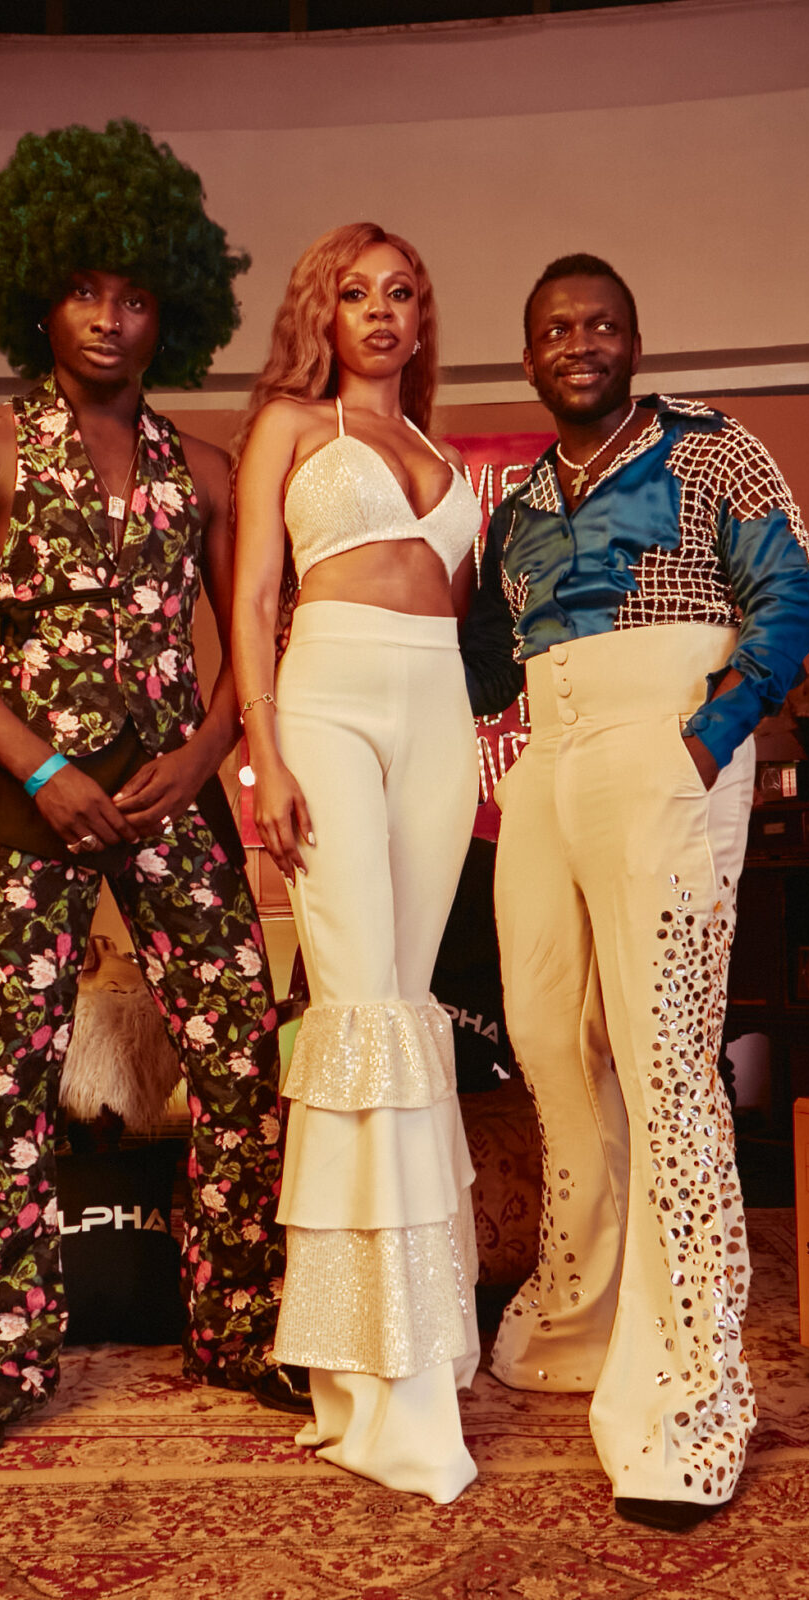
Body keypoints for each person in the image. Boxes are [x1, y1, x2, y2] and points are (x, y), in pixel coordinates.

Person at [0, 120, 305, 1480]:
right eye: (84, 289)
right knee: (6, 1080)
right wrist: (40, 766)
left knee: (243, 1058)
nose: (109, 317)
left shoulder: (211, 474)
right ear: (39, 297)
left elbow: (252, 641)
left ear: (169, 310)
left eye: (134, 295)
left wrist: (205, 755)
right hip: (30, 802)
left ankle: (237, 1329)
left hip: (171, 798)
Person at [481, 253, 809, 1529]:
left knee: (668, 1059)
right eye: (556, 328)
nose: (580, 343)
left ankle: (693, 1397)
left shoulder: (713, 448)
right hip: (546, 760)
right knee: (550, 1043)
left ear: (634, 340)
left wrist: (710, 736)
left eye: (602, 324)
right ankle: (579, 1321)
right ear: (529, 356)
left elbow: (791, 597)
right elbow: (478, 662)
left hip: (664, 742)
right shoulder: (516, 506)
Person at [228, 223, 507, 1503]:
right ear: (322, 315)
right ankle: (369, 1386)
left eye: (402, 293)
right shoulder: (291, 428)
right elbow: (252, 601)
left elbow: (472, 620)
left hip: (438, 715)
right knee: (357, 1015)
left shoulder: (446, 460)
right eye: (355, 294)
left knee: (408, 1006)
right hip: (325, 697)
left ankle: (418, 1348)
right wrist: (263, 752)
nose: (381, 312)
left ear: (421, 316)